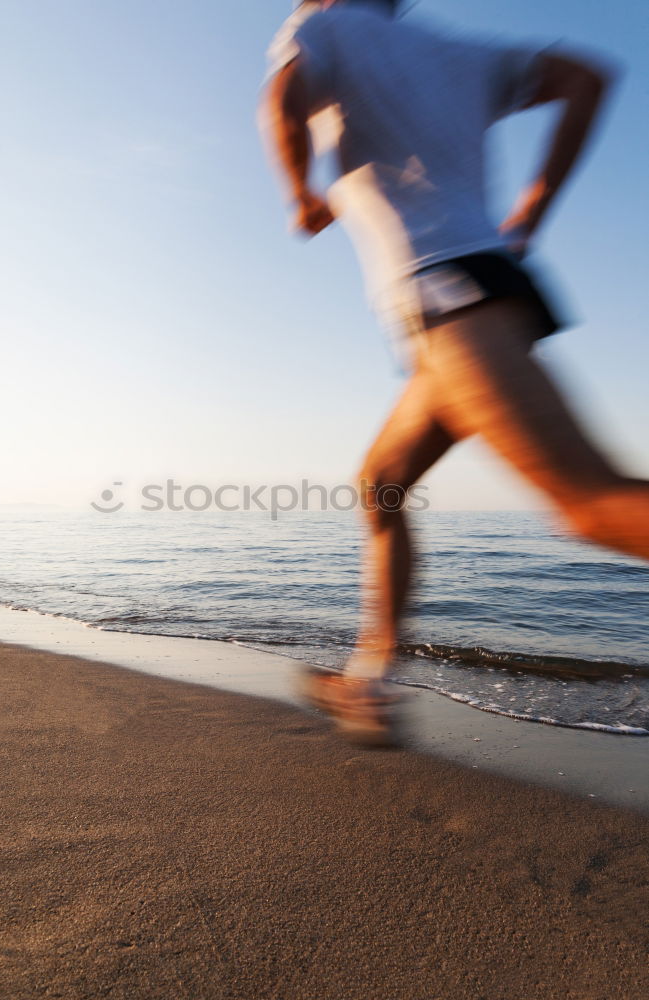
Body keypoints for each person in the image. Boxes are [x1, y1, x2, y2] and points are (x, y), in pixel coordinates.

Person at [259, 0, 649, 744]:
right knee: (380, 486)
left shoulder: (321, 22)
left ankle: (367, 681)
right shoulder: (456, 53)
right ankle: (365, 681)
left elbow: (282, 98)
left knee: (585, 504)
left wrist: (300, 193)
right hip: (465, 296)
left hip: (449, 296)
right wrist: (534, 203)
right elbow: (586, 77)